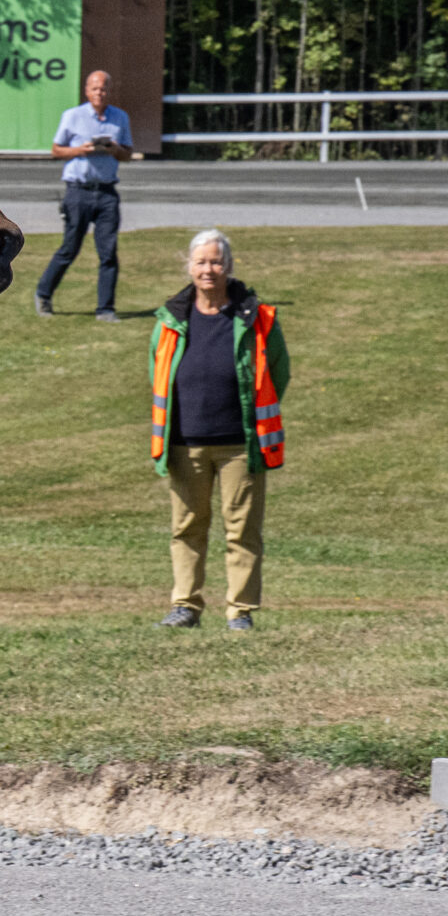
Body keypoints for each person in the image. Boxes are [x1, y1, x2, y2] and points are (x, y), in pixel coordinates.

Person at [148, 229, 289, 632]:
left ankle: (239, 611)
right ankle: (185, 606)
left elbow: (278, 374)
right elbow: (157, 376)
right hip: (184, 444)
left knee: (242, 530)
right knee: (186, 528)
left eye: (215, 261)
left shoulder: (258, 319)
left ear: (228, 266)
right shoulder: (170, 319)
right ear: (189, 268)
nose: (208, 269)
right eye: (201, 262)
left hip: (240, 446)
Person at [35, 68, 139, 321]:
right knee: (70, 248)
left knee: (108, 252)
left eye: (103, 88)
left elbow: (128, 154)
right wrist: (79, 150)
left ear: (109, 91)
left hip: (106, 193)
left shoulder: (119, 118)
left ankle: (106, 309)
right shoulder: (72, 116)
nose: (99, 93)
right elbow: (56, 150)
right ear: (87, 90)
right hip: (78, 191)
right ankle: (43, 293)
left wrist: (114, 149)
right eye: (95, 88)